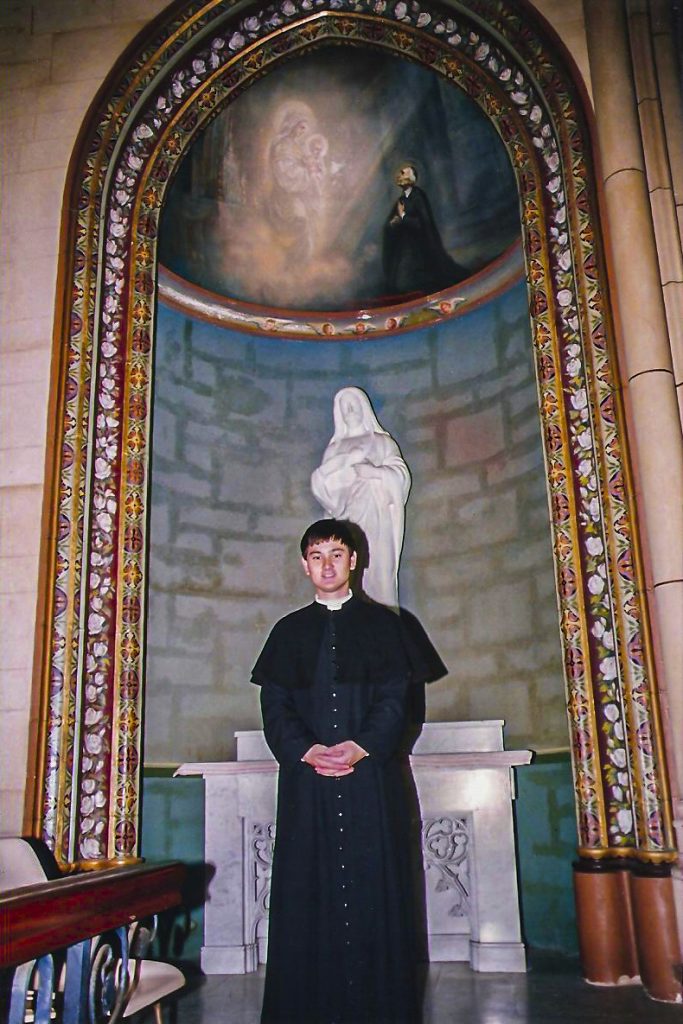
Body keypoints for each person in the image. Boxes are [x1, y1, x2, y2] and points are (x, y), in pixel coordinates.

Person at [252, 519, 421, 1024]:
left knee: (376, 893)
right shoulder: (287, 632)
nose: (327, 564)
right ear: (305, 566)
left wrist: (361, 746)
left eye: (337, 554)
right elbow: (275, 705)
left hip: (370, 781)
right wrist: (305, 751)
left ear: (354, 562)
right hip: (309, 786)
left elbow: (396, 701)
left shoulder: (387, 628)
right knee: (308, 895)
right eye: (317, 555)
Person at [311, 387, 411, 609]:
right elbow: (323, 488)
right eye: (344, 406)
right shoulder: (335, 449)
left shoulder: (382, 442)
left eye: (353, 404)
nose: (349, 410)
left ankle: (381, 618)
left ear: (363, 407)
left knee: (377, 569)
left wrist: (374, 473)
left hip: (377, 517)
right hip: (346, 517)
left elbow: (400, 475)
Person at [382, 164, 468, 297]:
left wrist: (403, 219)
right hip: (404, 247)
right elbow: (392, 222)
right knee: (400, 283)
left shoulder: (418, 196)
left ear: (412, 178)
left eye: (403, 173)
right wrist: (393, 223)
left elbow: (423, 223)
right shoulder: (401, 200)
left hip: (420, 247)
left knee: (418, 281)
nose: (399, 176)